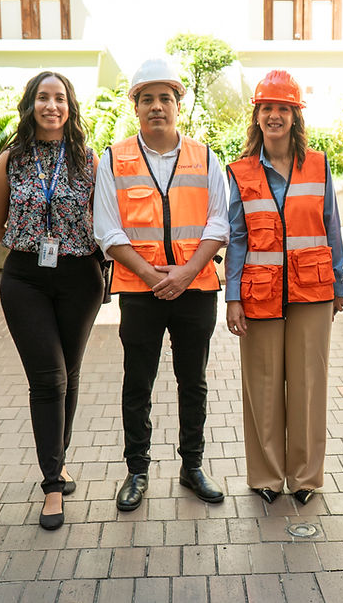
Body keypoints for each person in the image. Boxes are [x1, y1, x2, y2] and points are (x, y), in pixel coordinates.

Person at [93, 58, 229, 511]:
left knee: (193, 381)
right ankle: (137, 470)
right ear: (135, 106)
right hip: (140, 291)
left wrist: (187, 273)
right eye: (147, 98)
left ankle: (192, 467)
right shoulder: (114, 158)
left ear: (178, 105)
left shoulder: (205, 156)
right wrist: (153, 276)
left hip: (197, 289)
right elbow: (107, 231)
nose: (157, 107)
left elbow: (218, 223)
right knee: (138, 381)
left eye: (165, 98)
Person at [0, 71, 103, 530]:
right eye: (43, 98)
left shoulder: (88, 160)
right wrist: (32, 239)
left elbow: (105, 221)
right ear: (30, 104)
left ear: (70, 106)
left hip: (79, 278)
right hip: (26, 278)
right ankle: (52, 485)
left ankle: (60, 460)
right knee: (48, 377)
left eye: (61, 98)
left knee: (68, 374)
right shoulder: (11, 159)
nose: (52, 106)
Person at [225, 70, 343, 506]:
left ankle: (306, 478)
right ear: (256, 117)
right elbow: (237, 237)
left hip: (312, 291)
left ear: (296, 117)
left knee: (308, 384)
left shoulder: (318, 164)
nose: (275, 115)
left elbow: (331, 225)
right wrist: (233, 297)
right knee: (262, 385)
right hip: (259, 291)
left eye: (284, 108)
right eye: (267, 108)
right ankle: (266, 476)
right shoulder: (238, 172)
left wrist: (338, 283)